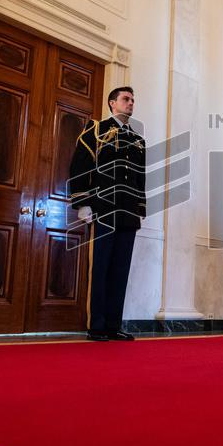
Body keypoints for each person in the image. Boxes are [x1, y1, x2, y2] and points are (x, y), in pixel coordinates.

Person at [69, 87, 146, 342]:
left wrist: (140, 208)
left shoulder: (138, 140)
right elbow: (80, 165)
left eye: (132, 100)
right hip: (103, 209)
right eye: (126, 99)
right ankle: (97, 326)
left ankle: (113, 325)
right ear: (112, 103)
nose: (131, 103)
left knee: (120, 270)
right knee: (100, 267)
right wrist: (83, 203)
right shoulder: (96, 130)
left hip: (128, 212)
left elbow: (139, 177)